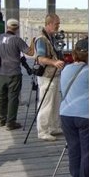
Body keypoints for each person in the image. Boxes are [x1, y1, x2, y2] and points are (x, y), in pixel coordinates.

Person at [60, 38, 89, 177]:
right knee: (86, 151)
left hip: (65, 113)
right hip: (85, 115)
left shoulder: (65, 69)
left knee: (73, 149)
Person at [0, 18, 34, 130]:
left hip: (1, 72)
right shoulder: (17, 40)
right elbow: (30, 52)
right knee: (13, 97)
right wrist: (32, 41)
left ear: (7, 27)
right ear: (17, 28)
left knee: (1, 96)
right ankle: (10, 122)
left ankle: (1, 119)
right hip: (14, 73)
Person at [35, 13, 66, 141]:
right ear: (48, 24)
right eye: (56, 24)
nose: (58, 26)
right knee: (46, 103)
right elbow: (41, 59)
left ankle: (53, 126)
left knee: (55, 102)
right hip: (47, 76)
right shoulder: (42, 40)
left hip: (55, 75)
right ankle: (43, 130)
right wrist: (54, 62)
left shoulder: (51, 37)